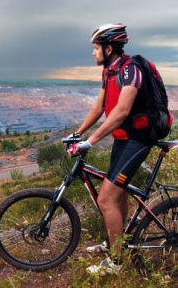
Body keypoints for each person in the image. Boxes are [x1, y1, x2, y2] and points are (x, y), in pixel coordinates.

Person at [67, 23, 154, 274]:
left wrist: (90, 142)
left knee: (105, 197)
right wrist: (78, 133)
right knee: (119, 194)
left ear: (108, 48)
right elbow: (99, 108)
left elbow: (122, 111)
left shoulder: (130, 70)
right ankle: (117, 240)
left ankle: (115, 264)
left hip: (138, 140)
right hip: (122, 139)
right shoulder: (109, 71)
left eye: (96, 48)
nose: (93, 53)